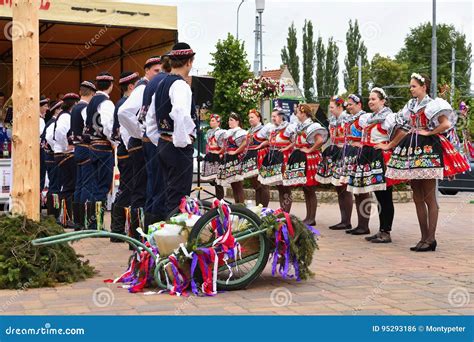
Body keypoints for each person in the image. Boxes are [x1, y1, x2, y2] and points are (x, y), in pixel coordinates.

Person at [385, 73, 470, 251]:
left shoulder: (433, 104)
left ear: (424, 87)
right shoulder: (410, 105)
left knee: (429, 196)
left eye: (414, 86)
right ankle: (423, 238)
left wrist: (428, 133)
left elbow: (446, 124)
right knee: (417, 196)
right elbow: (403, 125)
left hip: (429, 150)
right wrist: (392, 143)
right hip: (412, 149)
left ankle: (431, 239)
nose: (411, 89)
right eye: (410, 86)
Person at [346, 88, 398, 242]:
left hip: (382, 158)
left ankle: (386, 231)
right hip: (370, 158)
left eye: (374, 99)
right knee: (378, 195)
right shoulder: (369, 118)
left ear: (383, 101)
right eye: (369, 99)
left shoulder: (389, 117)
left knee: (385, 195)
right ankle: (381, 230)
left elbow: (401, 132)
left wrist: (388, 145)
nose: (370, 101)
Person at [118, 56, 162, 236]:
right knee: (141, 189)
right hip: (139, 143)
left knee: (142, 189)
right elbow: (124, 112)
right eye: (156, 71)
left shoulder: (147, 87)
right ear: (147, 71)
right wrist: (140, 131)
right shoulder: (143, 87)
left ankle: (137, 234)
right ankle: (137, 234)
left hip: (139, 142)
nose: (159, 74)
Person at [155, 42, 197, 217]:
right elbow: (179, 113)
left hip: (163, 143)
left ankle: (167, 238)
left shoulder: (161, 84)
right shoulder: (180, 85)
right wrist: (182, 142)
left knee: (169, 194)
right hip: (176, 146)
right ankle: (174, 240)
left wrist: (160, 136)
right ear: (189, 62)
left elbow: (151, 117)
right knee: (178, 197)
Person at [283, 104, 328, 225]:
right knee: (306, 188)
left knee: (310, 188)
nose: (296, 114)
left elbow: (319, 140)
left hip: (309, 158)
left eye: (297, 112)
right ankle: (309, 217)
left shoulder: (312, 125)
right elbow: (294, 141)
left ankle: (311, 218)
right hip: (301, 157)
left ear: (303, 113)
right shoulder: (299, 126)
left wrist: (309, 149)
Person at [141, 56, 172, 223]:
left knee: (152, 188)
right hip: (158, 141)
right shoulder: (166, 81)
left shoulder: (150, 82)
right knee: (161, 189)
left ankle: (146, 235)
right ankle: (156, 238)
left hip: (148, 139)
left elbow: (144, 116)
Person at [110, 71, 139, 242]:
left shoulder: (120, 103)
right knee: (128, 189)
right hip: (127, 152)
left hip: (122, 151)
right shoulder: (126, 104)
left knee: (127, 188)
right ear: (131, 86)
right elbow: (125, 132)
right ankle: (118, 228)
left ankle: (118, 228)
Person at [84, 72, 116, 230]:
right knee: (103, 187)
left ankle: (91, 223)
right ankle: (97, 224)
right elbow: (107, 125)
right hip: (103, 146)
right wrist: (113, 141)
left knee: (95, 185)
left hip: (92, 146)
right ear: (110, 85)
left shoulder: (91, 102)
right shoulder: (106, 102)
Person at [317, 96, 353, 230]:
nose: (330, 110)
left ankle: (347, 220)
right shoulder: (333, 121)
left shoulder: (347, 119)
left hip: (344, 153)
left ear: (339, 107)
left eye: (332, 107)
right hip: (335, 153)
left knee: (344, 186)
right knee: (338, 187)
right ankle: (343, 219)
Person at [342, 94, 372, 235]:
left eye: (351, 104)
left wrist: (361, 145)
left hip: (360, 153)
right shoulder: (350, 119)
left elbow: (369, 135)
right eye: (347, 105)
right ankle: (360, 224)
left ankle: (364, 225)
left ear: (359, 104)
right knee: (356, 190)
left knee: (363, 189)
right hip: (351, 153)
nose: (348, 107)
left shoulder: (364, 118)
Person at [50, 93, 80, 228]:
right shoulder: (66, 116)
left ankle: (65, 217)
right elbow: (61, 132)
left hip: (61, 154)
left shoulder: (64, 116)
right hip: (65, 155)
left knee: (68, 186)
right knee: (69, 187)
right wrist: (67, 146)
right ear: (73, 104)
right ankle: (66, 218)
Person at [70, 81, 96, 230]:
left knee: (79, 185)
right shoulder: (85, 108)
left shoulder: (74, 108)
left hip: (77, 148)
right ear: (92, 93)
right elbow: (90, 128)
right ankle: (85, 221)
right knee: (87, 185)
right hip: (86, 148)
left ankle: (78, 222)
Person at [258, 108, 295, 212]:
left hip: (284, 158)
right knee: (279, 187)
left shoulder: (288, 128)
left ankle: (285, 213)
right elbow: (270, 141)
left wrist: (287, 148)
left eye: (275, 116)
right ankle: (282, 211)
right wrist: (262, 144)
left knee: (285, 187)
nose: (273, 118)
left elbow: (295, 141)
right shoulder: (272, 129)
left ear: (281, 116)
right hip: (273, 157)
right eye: (272, 116)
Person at [241, 109, 271, 207]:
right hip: (251, 157)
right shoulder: (249, 130)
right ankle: (258, 208)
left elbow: (271, 140)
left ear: (258, 118)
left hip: (261, 156)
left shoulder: (264, 128)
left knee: (263, 184)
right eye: (249, 117)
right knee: (256, 186)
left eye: (252, 117)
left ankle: (264, 209)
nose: (250, 119)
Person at [217, 112, 248, 203]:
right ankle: (237, 206)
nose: (229, 122)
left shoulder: (240, 132)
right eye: (229, 120)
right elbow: (225, 146)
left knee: (238, 185)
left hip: (236, 159)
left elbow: (245, 143)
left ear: (237, 122)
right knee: (234, 185)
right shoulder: (228, 133)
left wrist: (236, 151)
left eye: (231, 120)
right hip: (228, 159)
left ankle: (241, 208)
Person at [43, 100, 62, 220]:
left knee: (54, 185)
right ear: (57, 110)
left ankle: (54, 215)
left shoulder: (52, 122)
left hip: (50, 157)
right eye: (61, 109)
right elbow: (49, 137)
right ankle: (53, 217)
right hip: (52, 158)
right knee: (55, 186)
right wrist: (57, 149)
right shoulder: (53, 122)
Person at [201, 113, 226, 200]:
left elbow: (223, 145)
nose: (211, 122)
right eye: (210, 121)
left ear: (218, 123)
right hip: (211, 155)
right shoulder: (209, 132)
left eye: (213, 121)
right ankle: (218, 199)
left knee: (218, 180)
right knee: (213, 180)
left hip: (217, 157)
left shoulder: (220, 132)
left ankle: (220, 200)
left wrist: (219, 152)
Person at [39, 96, 49, 192]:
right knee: (40, 176)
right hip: (40, 153)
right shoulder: (40, 120)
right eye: (45, 106)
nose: (47, 108)